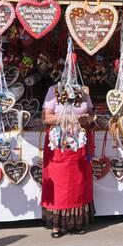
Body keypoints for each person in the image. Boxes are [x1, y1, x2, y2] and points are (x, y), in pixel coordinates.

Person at [41, 84, 95, 237]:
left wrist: (87, 119)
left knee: (78, 184)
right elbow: (46, 118)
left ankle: (77, 222)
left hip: (79, 144)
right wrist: (69, 118)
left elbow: (91, 114)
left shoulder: (84, 91)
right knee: (59, 186)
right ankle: (56, 224)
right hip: (59, 144)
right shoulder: (54, 90)